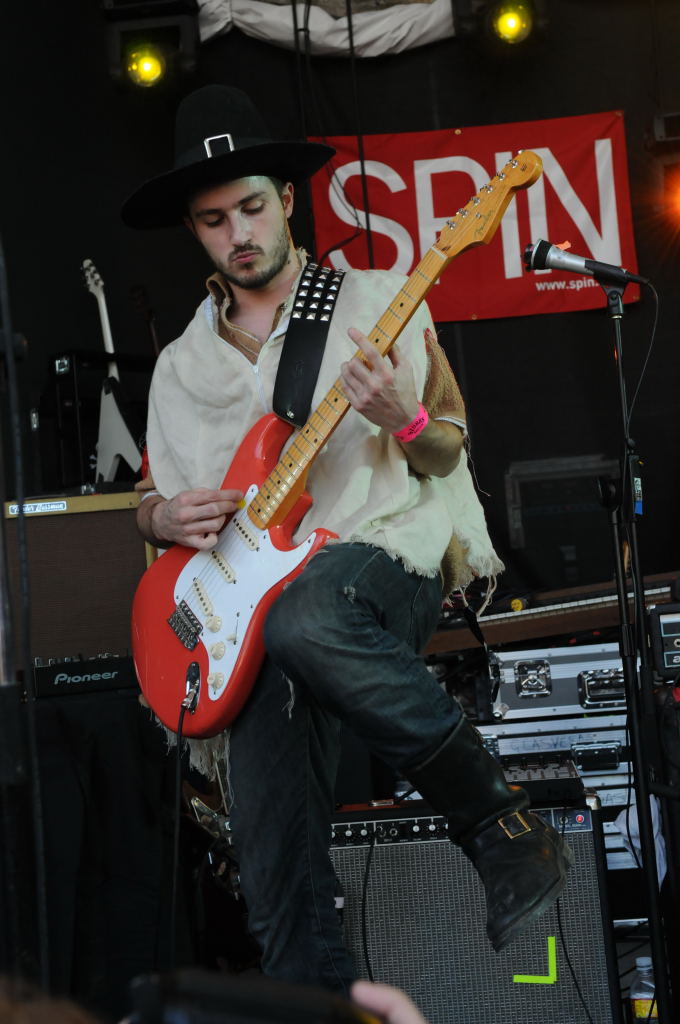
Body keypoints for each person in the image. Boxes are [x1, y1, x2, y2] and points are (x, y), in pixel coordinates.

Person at [123, 85, 571, 994]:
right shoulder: (179, 365)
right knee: (274, 872)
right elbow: (148, 496)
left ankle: (500, 822)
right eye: (214, 220)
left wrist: (404, 417)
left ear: (288, 199)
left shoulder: (377, 298)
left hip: (380, 553)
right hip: (254, 607)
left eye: (253, 207)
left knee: (311, 614)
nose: (239, 233)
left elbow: (449, 448)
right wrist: (160, 518)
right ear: (194, 230)